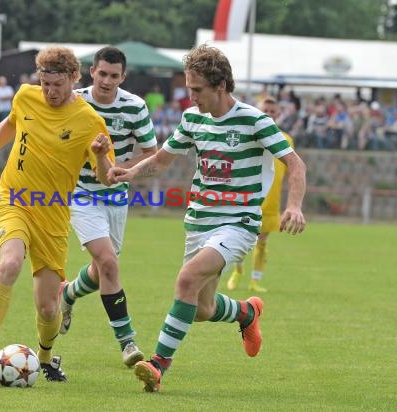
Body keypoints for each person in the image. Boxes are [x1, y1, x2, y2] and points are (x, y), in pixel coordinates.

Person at [109, 45, 306, 392]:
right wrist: (128, 172)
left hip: (238, 223)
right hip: (199, 221)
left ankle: (157, 366)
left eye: (197, 90)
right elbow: (161, 161)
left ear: (221, 86)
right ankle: (246, 313)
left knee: (186, 279)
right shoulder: (192, 118)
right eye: (189, 88)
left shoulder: (254, 120)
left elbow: (295, 163)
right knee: (201, 308)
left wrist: (295, 206)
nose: (191, 96)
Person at [0, 46, 115, 383]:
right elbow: (9, 125)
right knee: (10, 262)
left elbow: (106, 176)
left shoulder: (90, 121)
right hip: (13, 199)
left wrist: (102, 156)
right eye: (44, 84)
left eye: (57, 85)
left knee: (47, 306)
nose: (50, 92)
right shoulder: (26, 97)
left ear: (74, 78)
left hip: (54, 215)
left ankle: (45, 358)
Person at [59, 46, 158, 367]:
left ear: (123, 77)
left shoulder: (135, 106)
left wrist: (124, 165)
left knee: (104, 268)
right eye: (102, 73)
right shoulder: (76, 101)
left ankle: (68, 293)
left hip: (116, 197)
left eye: (114, 76)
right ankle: (127, 342)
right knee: (109, 264)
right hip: (81, 194)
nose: (106, 81)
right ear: (92, 72)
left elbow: (151, 152)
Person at [226, 96, 295, 293]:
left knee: (262, 241)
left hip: (271, 200)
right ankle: (237, 271)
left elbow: (291, 169)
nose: (270, 114)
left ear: (279, 114)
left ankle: (255, 280)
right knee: (240, 238)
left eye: (273, 112)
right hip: (248, 197)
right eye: (266, 111)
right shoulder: (249, 133)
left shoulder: (287, 139)